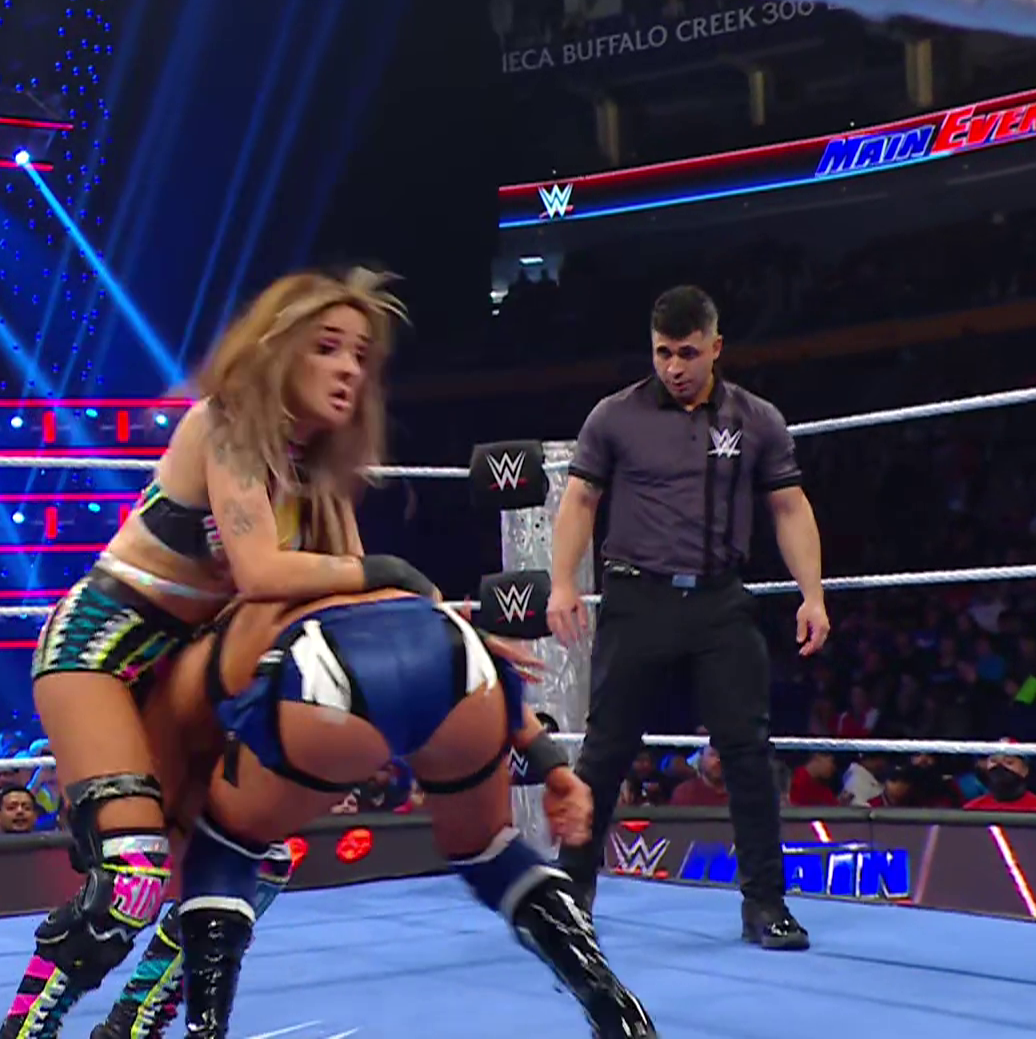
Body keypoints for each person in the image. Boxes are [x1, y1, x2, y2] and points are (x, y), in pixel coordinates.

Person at [0, 268, 441, 1039]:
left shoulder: (321, 476)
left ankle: (135, 1023)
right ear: (278, 348)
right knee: (132, 881)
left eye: (360, 355)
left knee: (253, 863)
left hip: (192, 670)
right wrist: (391, 571)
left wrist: (457, 644)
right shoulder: (226, 425)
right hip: (101, 648)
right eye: (327, 347)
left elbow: (353, 602)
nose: (348, 368)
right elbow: (265, 573)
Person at [131, 587, 656, 1039]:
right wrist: (552, 764)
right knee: (487, 849)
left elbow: (168, 829)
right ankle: (618, 1012)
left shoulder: (200, 642)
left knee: (224, 844)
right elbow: (459, 644)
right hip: (456, 651)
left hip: (326, 669)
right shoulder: (363, 569)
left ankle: (204, 1031)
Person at [544, 285, 828, 951]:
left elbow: (789, 506)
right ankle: (572, 896)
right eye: (663, 353)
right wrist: (561, 584)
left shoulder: (755, 418)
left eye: (688, 353)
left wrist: (812, 595)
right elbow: (580, 500)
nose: (674, 367)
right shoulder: (615, 416)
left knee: (748, 753)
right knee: (606, 750)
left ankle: (765, 905)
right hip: (636, 597)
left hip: (719, 601)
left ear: (716, 347)